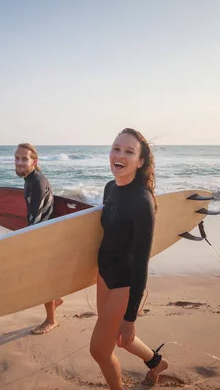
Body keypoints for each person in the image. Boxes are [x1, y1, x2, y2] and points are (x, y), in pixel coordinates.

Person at [90, 128, 169, 388]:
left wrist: (130, 317)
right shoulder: (110, 188)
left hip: (124, 283)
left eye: (128, 151)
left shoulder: (142, 201)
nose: (119, 155)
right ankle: (156, 363)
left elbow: (141, 260)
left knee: (100, 351)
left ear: (140, 161)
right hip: (104, 276)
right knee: (116, 339)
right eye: (116, 148)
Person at [14, 142, 63, 335]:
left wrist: (25, 243)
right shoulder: (30, 178)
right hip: (44, 232)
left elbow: (35, 217)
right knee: (45, 279)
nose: (19, 162)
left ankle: (51, 320)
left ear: (34, 161)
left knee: (43, 281)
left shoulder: (37, 181)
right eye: (17, 158)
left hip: (44, 236)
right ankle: (56, 300)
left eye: (24, 159)